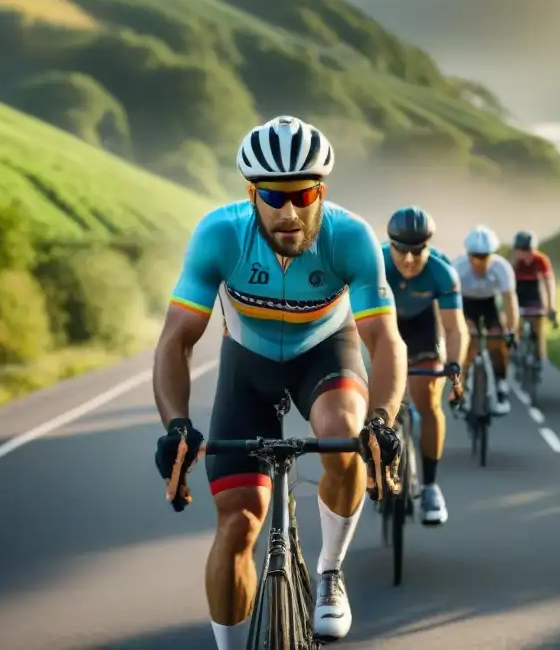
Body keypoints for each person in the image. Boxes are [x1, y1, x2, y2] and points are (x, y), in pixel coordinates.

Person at [151, 115, 407, 649]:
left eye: (303, 193)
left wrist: (381, 420)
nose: (289, 211)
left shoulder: (350, 236)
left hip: (325, 356)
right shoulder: (219, 234)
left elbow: (385, 342)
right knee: (238, 525)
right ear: (252, 193)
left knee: (344, 435)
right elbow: (176, 340)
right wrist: (176, 425)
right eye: (273, 195)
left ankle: (330, 571)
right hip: (249, 367)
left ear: (322, 191)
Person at [383, 206, 469, 525]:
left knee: (428, 400)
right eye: (401, 250)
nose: (408, 260)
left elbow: (455, 328)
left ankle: (431, 486)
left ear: (428, 246)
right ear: (390, 245)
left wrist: (455, 365)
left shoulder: (441, 273)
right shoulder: (373, 265)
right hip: (383, 324)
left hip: (423, 329)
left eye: (417, 251)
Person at [452, 225, 517, 414]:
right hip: (464, 305)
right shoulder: (458, 267)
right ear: (468, 254)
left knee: (498, 343)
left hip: (489, 306)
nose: (479, 261)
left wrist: (511, 331)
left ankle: (501, 383)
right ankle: (460, 390)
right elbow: (450, 303)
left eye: (484, 256)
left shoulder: (502, 268)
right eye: (475, 256)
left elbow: (509, 301)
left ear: (492, 254)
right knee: (466, 347)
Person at [510, 230, 559, 366]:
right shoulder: (514, 263)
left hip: (535, 295)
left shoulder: (541, 260)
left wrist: (551, 306)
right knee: (515, 325)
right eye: (521, 250)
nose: (525, 254)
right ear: (516, 250)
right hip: (518, 293)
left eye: (528, 250)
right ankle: (515, 349)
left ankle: (540, 356)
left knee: (538, 328)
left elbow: (549, 282)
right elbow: (507, 289)